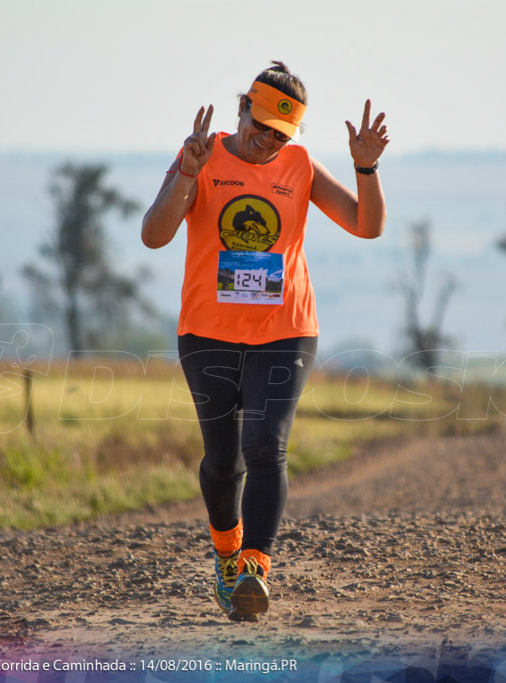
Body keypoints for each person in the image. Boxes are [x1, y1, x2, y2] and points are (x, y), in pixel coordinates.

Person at [140, 62, 389, 622]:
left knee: (266, 446)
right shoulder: (201, 157)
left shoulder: (300, 166)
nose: (269, 139)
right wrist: (185, 174)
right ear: (244, 109)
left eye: (282, 132)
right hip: (207, 334)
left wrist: (366, 168)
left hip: (286, 331)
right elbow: (154, 236)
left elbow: (366, 225)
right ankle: (226, 558)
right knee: (224, 461)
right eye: (262, 125)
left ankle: (254, 571)